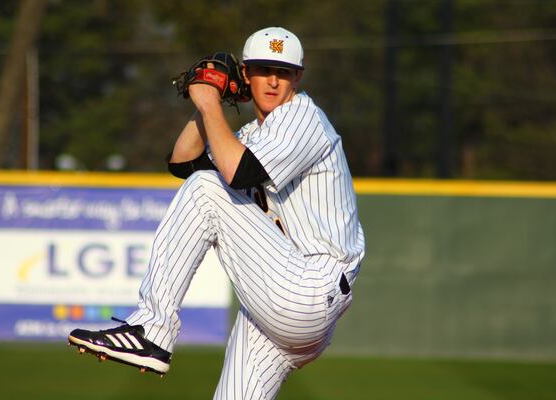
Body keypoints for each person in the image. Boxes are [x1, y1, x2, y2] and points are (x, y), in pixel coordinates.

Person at [68, 26, 365, 400]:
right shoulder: (253, 136)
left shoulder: (302, 117)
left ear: (298, 77)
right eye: (262, 69)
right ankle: (152, 327)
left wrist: (211, 103)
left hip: (309, 289)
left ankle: (153, 328)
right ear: (245, 74)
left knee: (208, 190)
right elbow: (184, 164)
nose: (273, 81)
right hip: (276, 303)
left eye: (284, 72)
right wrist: (204, 104)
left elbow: (234, 174)